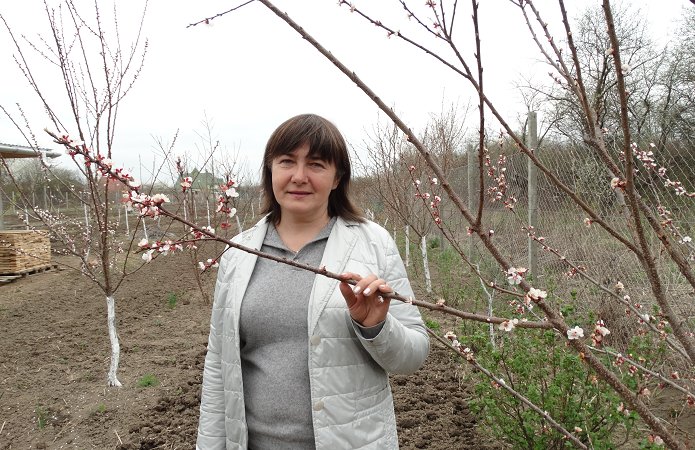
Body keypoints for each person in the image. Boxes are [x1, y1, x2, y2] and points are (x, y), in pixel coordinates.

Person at [196, 114, 429, 449]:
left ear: (337, 178)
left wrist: (376, 327)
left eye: (316, 164)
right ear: (270, 171)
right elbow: (220, 366)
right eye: (287, 162)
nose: (299, 176)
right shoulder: (238, 255)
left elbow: (414, 354)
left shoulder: (372, 244)